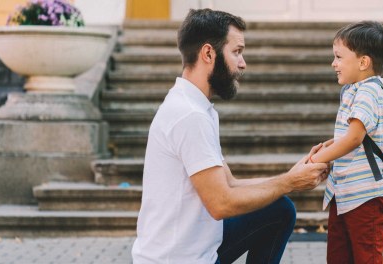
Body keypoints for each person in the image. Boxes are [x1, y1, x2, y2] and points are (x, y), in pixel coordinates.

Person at [131, 9, 329, 264]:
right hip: (177, 260)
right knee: (281, 206)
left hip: (197, 249)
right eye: (236, 52)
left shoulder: (197, 107)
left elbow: (230, 184)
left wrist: (291, 176)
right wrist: (289, 183)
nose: (243, 63)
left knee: (279, 209)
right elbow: (221, 204)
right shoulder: (189, 116)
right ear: (208, 53)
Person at [307, 21, 383, 263]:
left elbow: (355, 138)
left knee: (366, 257)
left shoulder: (369, 91)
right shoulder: (355, 89)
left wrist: (315, 160)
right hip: (344, 192)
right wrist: (328, 146)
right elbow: (355, 134)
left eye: (338, 57)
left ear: (363, 62)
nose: (333, 64)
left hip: (365, 195)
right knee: (338, 256)